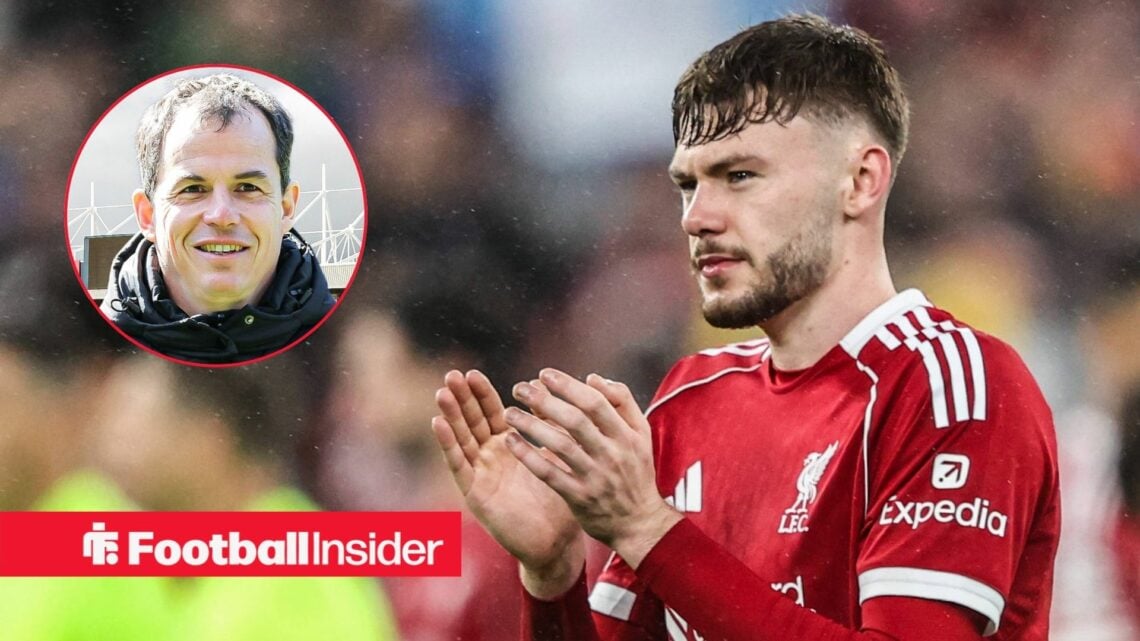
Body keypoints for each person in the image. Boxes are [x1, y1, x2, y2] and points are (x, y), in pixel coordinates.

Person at [431, 14, 1059, 641]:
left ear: (860, 181)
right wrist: (552, 575)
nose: (696, 217)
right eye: (688, 184)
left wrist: (649, 529)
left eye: (739, 176)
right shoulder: (690, 400)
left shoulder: (953, 389)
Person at [100, 73, 334, 364]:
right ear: (147, 216)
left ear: (286, 208)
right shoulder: (96, 351)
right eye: (193, 189)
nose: (222, 215)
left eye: (247, 188)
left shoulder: (341, 346)